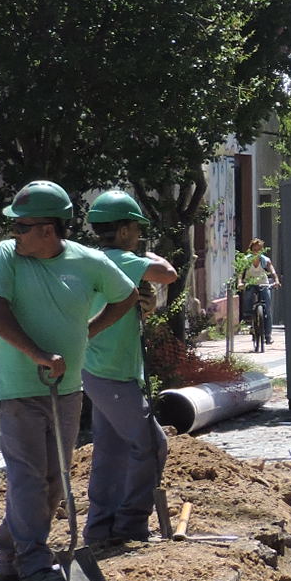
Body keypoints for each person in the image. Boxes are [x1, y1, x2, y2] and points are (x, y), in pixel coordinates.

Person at [0, 180, 138, 581]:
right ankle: (34, 564)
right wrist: (36, 354)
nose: (14, 234)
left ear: (47, 230)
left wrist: (88, 332)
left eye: (21, 227)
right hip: (17, 389)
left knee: (53, 481)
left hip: (65, 389)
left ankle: (9, 556)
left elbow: (127, 295)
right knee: (28, 478)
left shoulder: (87, 261)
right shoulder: (6, 257)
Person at [79, 189, 180, 545]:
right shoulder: (123, 259)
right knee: (153, 445)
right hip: (112, 372)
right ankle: (131, 524)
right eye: (136, 230)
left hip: (99, 367)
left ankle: (100, 528)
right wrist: (144, 255)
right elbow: (168, 273)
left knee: (110, 452)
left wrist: (144, 305)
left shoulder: (90, 258)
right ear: (123, 231)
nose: (138, 237)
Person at [236, 238, 276, 343]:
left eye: (259, 249)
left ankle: (268, 335)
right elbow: (240, 273)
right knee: (248, 297)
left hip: (263, 283)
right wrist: (240, 282)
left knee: (267, 308)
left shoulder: (265, 260)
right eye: (254, 249)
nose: (256, 251)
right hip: (250, 283)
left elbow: (272, 271)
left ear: (262, 250)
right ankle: (250, 318)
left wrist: (276, 281)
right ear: (251, 249)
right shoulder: (246, 260)